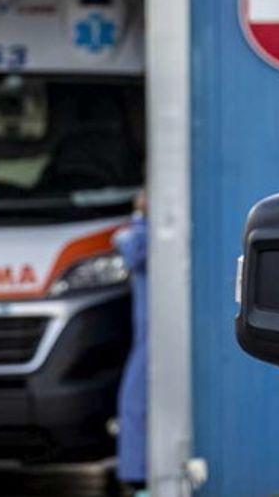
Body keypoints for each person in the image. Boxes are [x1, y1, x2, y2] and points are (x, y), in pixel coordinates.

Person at [113, 189, 148, 496]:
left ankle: (138, 475)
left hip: (154, 336)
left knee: (136, 401)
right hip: (148, 334)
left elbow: (131, 249)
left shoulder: (145, 233)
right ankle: (138, 476)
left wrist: (138, 217)